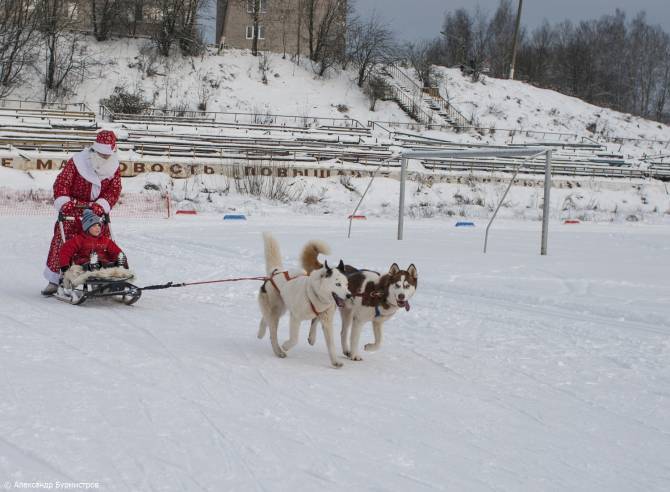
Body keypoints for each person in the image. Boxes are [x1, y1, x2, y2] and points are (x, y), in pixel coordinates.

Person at [41, 130, 122, 295]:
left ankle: (103, 276)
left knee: (101, 244)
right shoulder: (77, 162)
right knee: (63, 243)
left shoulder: (114, 167)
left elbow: (114, 190)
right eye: (101, 154)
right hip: (72, 210)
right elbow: (62, 182)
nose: (104, 157)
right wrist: (65, 202)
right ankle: (55, 280)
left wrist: (102, 205)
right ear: (95, 150)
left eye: (107, 155)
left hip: (96, 213)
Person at [59, 208, 128, 273]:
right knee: (88, 263)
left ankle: (118, 265)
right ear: (87, 228)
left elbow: (116, 250)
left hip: (103, 262)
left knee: (108, 263)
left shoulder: (104, 240)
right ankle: (94, 265)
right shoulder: (79, 239)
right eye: (94, 226)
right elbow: (66, 250)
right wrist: (64, 265)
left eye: (99, 225)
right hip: (84, 263)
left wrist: (122, 259)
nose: (97, 228)